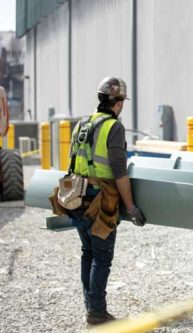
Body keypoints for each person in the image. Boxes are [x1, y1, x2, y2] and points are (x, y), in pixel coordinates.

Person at [66, 77, 146, 325]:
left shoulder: (82, 123)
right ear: (118, 102)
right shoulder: (114, 127)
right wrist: (131, 207)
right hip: (100, 199)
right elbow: (120, 173)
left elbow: (70, 162)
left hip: (77, 195)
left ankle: (90, 306)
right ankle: (97, 312)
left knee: (87, 252)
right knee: (101, 257)